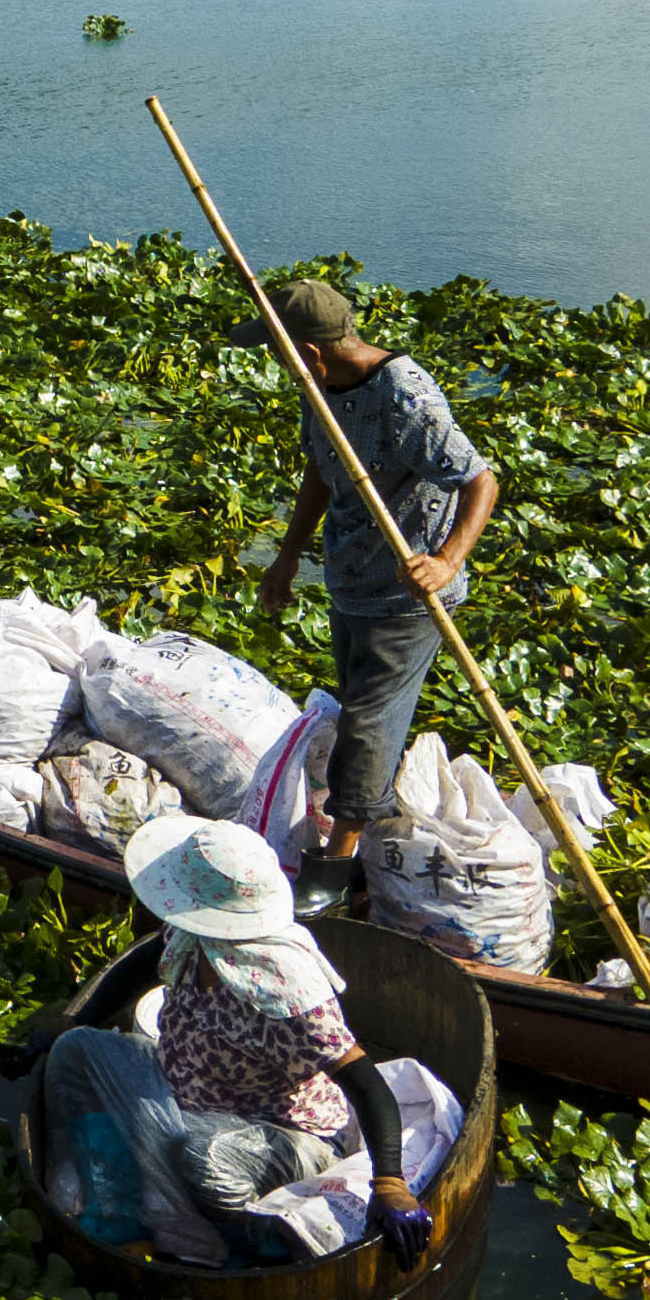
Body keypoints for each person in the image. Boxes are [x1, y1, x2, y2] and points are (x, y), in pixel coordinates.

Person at [39, 816, 436, 1268]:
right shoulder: (192, 931)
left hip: (276, 1135)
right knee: (76, 1051)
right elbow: (144, 964)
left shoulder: (285, 990)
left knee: (203, 1155)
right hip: (184, 1091)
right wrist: (73, 1019)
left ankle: (229, 1243)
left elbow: (365, 1081)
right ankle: (107, 1205)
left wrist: (389, 1182)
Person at [242, 278, 498, 898]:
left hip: (407, 594)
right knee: (364, 705)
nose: (275, 364)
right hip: (350, 579)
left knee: (367, 720)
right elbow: (321, 473)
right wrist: (286, 560)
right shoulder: (320, 388)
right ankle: (367, 808)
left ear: (309, 352)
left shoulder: (404, 397)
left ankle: (339, 862)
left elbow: (481, 482)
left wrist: (444, 560)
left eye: (277, 351)